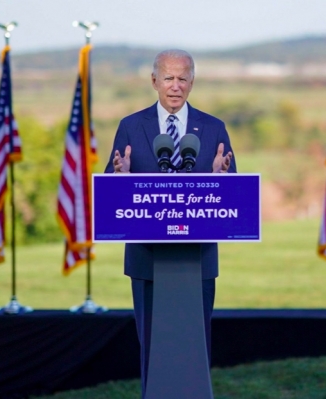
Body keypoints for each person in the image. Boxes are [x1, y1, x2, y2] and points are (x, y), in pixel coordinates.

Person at [104, 49, 236, 397]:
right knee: (152, 349)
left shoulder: (213, 128)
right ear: (154, 81)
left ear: (192, 81)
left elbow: (232, 198)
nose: (175, 86)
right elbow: (111, 195)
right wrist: (121, 178)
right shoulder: (131, 127)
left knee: (194, 346)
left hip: (198, 261)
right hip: (148, 259)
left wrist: (220, 179)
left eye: (182, 78)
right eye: (168, 78)